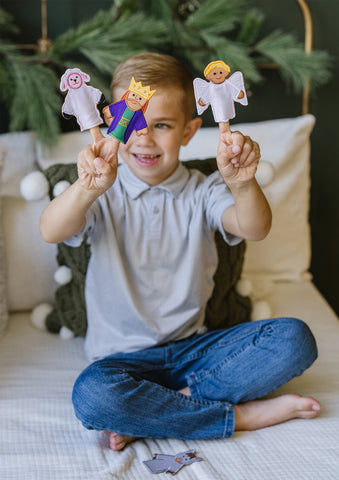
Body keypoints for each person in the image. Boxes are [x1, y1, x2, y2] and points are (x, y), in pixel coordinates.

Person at [40, 52, 320, 452]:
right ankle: (235, 416)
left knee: (294, 339)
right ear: (110, 122)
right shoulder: (103, 193)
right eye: (133, 123)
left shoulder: (203, 190)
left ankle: (167, 410)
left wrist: (241, 185)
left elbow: (255, 228)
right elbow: (51, 230)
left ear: (189, 131)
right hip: (120, 361)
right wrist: (87, 188)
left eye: (162, 126)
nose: (144, 138)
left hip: (195, 350)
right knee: (92, 396)